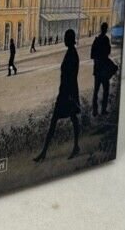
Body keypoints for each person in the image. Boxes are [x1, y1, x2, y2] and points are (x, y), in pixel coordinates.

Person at [33, 29, 81, 162]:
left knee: (59, 120)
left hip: (68, 93)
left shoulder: (72, 54)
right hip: (66, 92)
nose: (64, 39)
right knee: (70, 119)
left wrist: (69, 94)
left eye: (66, 38)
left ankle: (46, 152)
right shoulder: (71, 52)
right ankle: (46, 151)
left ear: (70, 39)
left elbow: (71, 76)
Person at [91, 22, 112, 116]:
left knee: (96, 91)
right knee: (105, 90)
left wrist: (97, 59)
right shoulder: (106, 40)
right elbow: (108, 52)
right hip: (104, 70)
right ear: (106, 29)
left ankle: (95, 111)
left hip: (97, 69)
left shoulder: (96, 40)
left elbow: (92, 55)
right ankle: (103, 110)